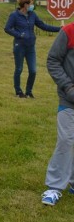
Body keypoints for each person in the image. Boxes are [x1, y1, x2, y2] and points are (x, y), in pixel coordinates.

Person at [41, 23, 74, 206]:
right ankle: (54, 187)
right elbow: (53, 60)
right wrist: (68, 87)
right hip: (69, 100)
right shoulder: (69, 31)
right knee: (66, 141)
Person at [4, 0, 61, 98]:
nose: (32, 6)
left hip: (31, 47)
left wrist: (59, 29)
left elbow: (43, 26)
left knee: (33, 70)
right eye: (31, 4)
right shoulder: (14, 15)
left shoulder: (32, 15)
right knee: (19, 69)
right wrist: (19, 35)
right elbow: (7, 28)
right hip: (19, 46)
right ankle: (18, 92)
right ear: (25, 5)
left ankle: (29, 92)